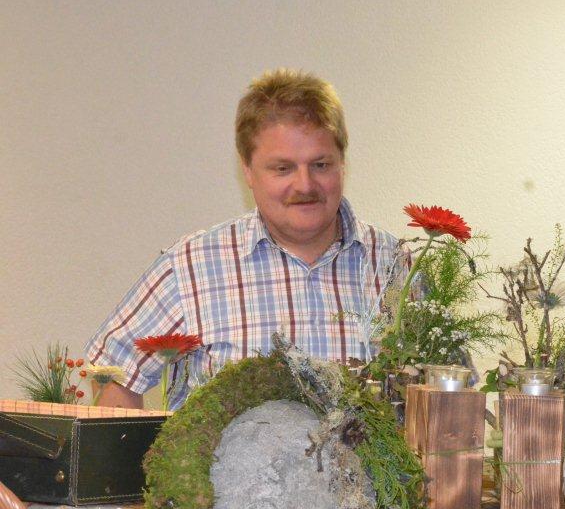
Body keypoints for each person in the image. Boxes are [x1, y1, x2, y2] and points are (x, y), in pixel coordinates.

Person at [86, 69, 405, 409]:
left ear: (343, 163)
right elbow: (113, 372)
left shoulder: (397, 266)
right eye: (282, 168)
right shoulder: (190, 267)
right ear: (248, 171)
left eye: (321, 165)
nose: (305, 185)